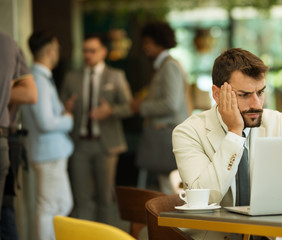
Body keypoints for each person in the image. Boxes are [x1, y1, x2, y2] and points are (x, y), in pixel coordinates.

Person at [172, 48, 282, 239]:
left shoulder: (278, 122)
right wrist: (234, 133)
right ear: (217, 94)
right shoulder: (188, 132)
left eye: (260, 92)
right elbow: (204, 198)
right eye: (244, 95)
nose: (256, 104)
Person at [61, 34, 133, 224]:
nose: (87, 55)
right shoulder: (71, 77)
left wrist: (111, 111)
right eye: (84, 50)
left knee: (105, 197)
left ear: (103, 52)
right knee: (82, 197)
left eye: (92, 50)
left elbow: (129, 107)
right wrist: (66, 108)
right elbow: (61, 107)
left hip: (105, 144)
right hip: (79, 144)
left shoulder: (116, 76)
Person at [22, 31, 74, 240]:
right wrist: (68, 119)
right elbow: (45, 122)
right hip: (48, 153)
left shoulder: (39, 78)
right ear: (51, 51)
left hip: (49, 151)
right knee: (48, 207)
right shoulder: (39, 80)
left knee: (61, 204)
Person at [131, 21, 190, 193]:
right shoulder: (163, 66)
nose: (145, 47)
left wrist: (142, 107)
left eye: (147, 42)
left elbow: (171, 103)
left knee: (171, 186)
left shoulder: (169, 66)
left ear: (158, 41)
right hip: (165, 134)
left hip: (169, 133)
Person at [0, 32, 37, 240]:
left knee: (6, 213)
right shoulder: (8, 43)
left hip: (7, 137)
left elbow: (31, 94)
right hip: (4, 140)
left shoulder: (8, 44)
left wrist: (3, 90)